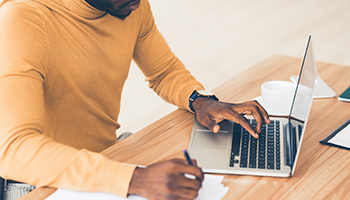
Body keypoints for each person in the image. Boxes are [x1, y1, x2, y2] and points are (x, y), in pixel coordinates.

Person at [0, 0, 270, 199]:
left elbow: (163, 71)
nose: (138, 2)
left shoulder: (129, 6)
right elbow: (13, 150)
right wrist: (135, 179)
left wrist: (200, 100)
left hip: (107, 157)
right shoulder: (23, 20)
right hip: (38, 182)